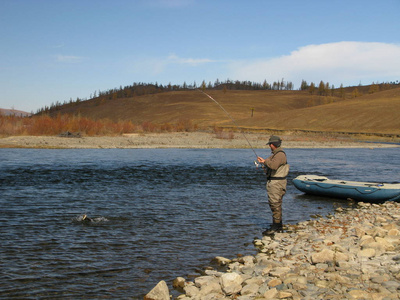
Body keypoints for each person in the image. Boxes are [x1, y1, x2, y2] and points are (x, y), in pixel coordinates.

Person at [257, 135, 289, 235]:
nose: (269, 146)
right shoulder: (276, 154)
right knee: (275, 203)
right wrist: (264, 161)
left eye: (270, 145)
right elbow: (270, 162)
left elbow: (274, 165)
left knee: (275, 204)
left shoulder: (280, 154)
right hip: (276, 182)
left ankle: (276, 226)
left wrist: (265, 161)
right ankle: (278, 225)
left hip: (277, 183)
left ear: (272, 145)